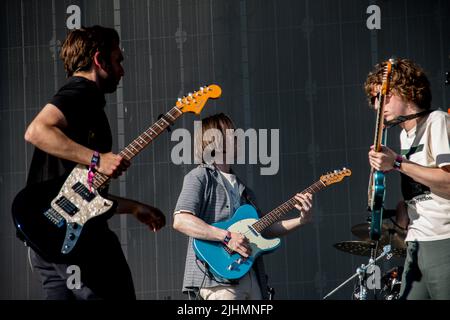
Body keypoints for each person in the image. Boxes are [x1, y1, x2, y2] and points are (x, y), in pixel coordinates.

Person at [23, 25, 165, 299]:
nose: (122, 70)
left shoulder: (85, 102)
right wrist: (97, 158)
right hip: (76, 245)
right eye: (118, 60)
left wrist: (132, 207)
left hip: (49, 243)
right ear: (99, 60)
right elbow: (36, 131)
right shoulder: (81, 92)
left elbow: (79, 197)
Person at [172, 113, 313, 300]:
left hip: (252, 277)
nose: (236, 136)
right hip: (218, 280)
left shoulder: (244, 189)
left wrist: (302, 220)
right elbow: (181, 220)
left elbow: (264, 229)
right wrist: (227, 237)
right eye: (229, 132)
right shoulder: (199, 176)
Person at [366, 58, 450, 300]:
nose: (376, 105)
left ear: (408, 90)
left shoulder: (438, 121)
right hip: (417, 240)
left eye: (383, 96)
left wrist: (399, 163)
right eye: (373, 99)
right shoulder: (405, 135)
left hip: (444, 239)